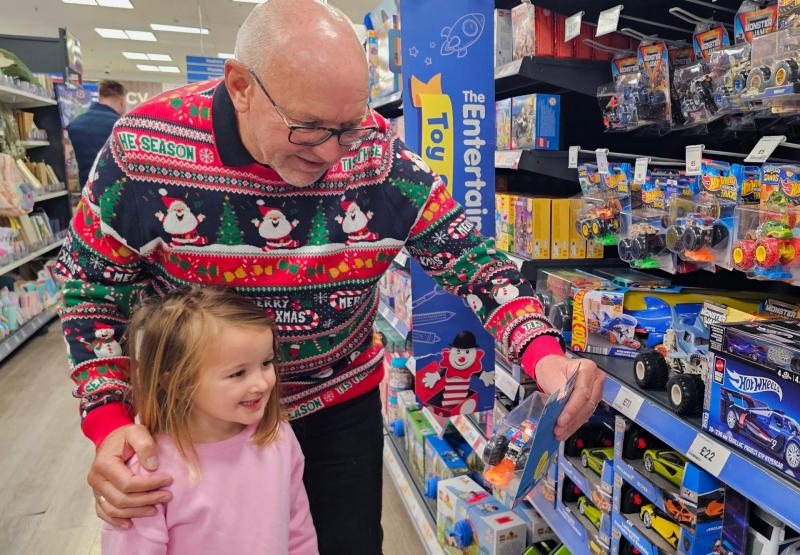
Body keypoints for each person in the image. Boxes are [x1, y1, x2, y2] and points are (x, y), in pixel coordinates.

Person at [55, 1, 604, 553]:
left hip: (335, 405)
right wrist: (108, 418)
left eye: (348, 126)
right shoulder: (141, 153)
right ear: (241, 86)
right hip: (196, 423)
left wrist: (543, 354)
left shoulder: (378, 159)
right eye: (308, 128)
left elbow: (473, 262)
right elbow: (89, 290)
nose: (332, 152)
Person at [101, 286, 318, 554]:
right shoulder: (149, 473)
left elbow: (298, 528)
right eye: (238, 373)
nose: (262, 383)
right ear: (178, 383)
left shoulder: (278, 436)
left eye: (266, 362)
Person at [66, 79, 126, 187]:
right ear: (122, 102)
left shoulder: (75, 124)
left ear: (99, 98)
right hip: (115, 193)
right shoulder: (121, 126)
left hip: (87, 192)